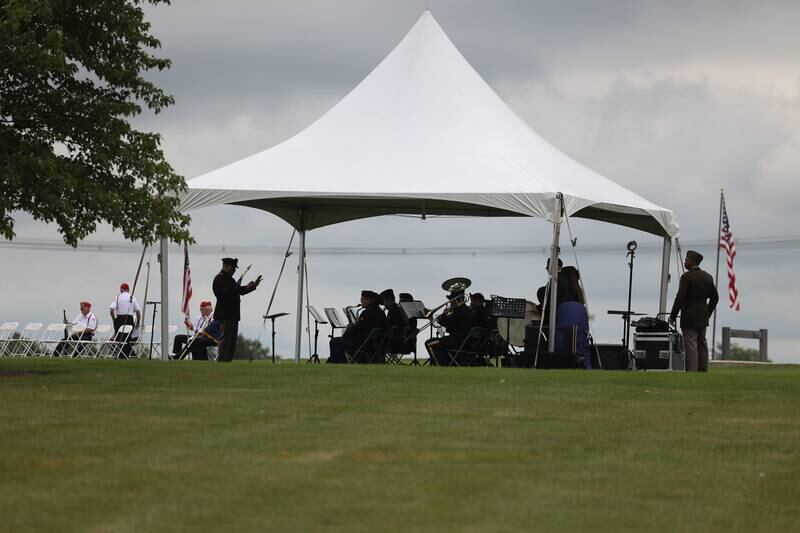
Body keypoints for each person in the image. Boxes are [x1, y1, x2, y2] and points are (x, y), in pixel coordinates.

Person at [669, 250, 719, 372]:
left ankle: (692, 371)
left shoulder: (686, 277)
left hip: (689, 315)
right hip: (703, 316)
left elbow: (680, 297)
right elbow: (715, 298)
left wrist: (673, 315)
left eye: (686, 259)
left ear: (692, 261)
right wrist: (708, 313)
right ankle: (702, 370)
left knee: (690, 343)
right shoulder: (708, 277)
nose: (685, 262)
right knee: (702, 342)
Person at [212, 257, 262, 362]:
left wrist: (252, 286)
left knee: (232, 340)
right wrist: (244, 287)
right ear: (226, 266)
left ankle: (228, 360)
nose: (234, 270)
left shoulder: (230, 280)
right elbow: (225, 293)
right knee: (225, 339)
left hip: (233, 315)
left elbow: (239, 291)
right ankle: (222, 360)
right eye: (233, 268)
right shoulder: (219, 279)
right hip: (225, 314)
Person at [328, 290, 387, 363]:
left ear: (371, 300)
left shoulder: (368, 312)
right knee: (340, 341)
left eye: (364, 299)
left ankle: (339, 363)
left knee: (334, 341)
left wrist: (350, 327)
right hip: (373, 343)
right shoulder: (380, 311)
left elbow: (358, 328)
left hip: (363, 343)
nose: (361, 301)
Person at [424, 289, 475, 366]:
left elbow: (445, 323)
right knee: (438, 343)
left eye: (451, 301)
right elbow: (450, 326)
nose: (450, 303)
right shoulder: (467, 310)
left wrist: (445, 314)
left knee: (429, 343)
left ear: (456, 300)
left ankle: (439, 365)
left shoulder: (459, 311)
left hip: (456, 341)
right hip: (463, 341)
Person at [109, 283, 141, 358]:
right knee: (127, 338)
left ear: (121, 290)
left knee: (119, 338)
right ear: (128, 290)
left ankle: (122, 354)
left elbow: (111, 309)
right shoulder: (132, 298)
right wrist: (138, 323)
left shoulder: (118, 297)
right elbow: (138, 312)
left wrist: (114, 319)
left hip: (119, 318)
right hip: (129, 318)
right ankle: (127, 354)